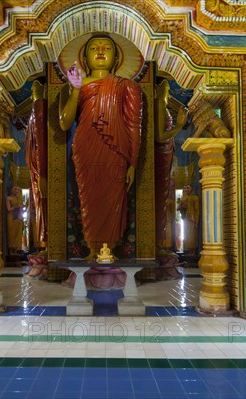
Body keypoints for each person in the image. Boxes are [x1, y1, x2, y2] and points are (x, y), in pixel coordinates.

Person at [58, 34, 142, 258]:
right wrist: (75, 89)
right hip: (86, 146)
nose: (101, 51)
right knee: (89, 199)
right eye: (94, 48)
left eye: (107, 48)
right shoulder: (77, 85)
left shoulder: (127, 86)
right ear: (85, 58)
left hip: (116, 150)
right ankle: (92, 249)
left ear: (116, 58)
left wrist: (132, 162)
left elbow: (133, 124)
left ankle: (109, 249)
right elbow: (64, 122)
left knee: (113, 199)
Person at [155, 80, 187, 255]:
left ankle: (160, 244)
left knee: (163, 196)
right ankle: (158, 244)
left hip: (166, 155)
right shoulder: (160, 105)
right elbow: (161, 136)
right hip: (161, 155)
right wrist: (180, 125)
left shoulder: (165, 107)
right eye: (167, 90)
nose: (168, 94)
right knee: (160, 198)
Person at [18, 80, 48, 252]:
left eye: (37, 89)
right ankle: (42, 243)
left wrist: (43, 172)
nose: (34, 93)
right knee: (38, 204)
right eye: (33, 90)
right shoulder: (32, 114)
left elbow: (41, 141)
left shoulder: (40, 109)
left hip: (40, 167)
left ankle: (45, 242)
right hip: (35, 167)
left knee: (42, 203)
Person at [177, 184, 199, 255]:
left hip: (192, 218)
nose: (186, 189)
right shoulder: (183, 198)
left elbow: (197, 210)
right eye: (185, 188)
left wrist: (196, 220)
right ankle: (187, 250)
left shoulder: (195, 197)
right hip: (186, 218)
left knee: (192, 235)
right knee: (186, 234)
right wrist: (182, 205)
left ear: (192, 189)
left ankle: (193, 251)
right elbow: (178, 208)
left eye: (188, 188)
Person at [6, 185, 24, 254]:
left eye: (18, 189)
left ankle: (16, 250)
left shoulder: (19, 199)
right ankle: (11, 251)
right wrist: (17, 206)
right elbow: (9, 209)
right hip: (12, 217)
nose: (16, 191)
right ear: (11, 190)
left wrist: (22, 209)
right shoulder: (8, 198)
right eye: (15, 189)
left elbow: (22, 209)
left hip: (19, 217)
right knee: (12, 234)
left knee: (18, 234)